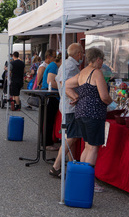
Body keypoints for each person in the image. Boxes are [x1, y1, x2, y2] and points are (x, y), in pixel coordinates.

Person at [66, 47, 113, 193]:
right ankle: (89, 181)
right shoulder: (96, 73)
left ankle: (82, 177)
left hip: (80, 112)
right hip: (94, 114)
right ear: (98, 59)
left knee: (87, 146)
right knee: (93, 147)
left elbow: (66, 84)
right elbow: (104, 96)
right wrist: (112, 102)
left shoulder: (82, 72)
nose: (102, 63)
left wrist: (74, 97)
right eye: (102, 60)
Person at [50, 43, 84, 178]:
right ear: (78, 54)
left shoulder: (67, 64)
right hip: (70, 105)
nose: (83, 55)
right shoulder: (70, 66)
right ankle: (56, 166)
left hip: (67, 105)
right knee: (71, 137)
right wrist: (74, 96)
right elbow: (64, 85)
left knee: (71, 136)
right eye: (82, 52)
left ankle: (71, 163)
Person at [41, 53, 62, 151]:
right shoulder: (54, 66)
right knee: (48, 120)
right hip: (50, 96)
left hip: (51, 96)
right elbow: (51, 81)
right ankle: (47, 143)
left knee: (48, 120)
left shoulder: (53, 66)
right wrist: (63, 88)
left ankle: (47, 141)